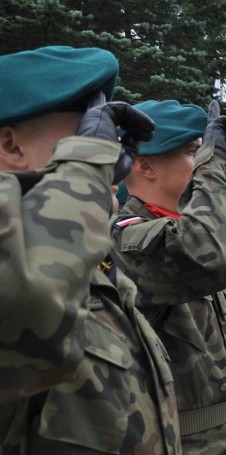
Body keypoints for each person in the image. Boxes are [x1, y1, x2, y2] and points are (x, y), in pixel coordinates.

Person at [0, 46, 179, 454]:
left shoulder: (83, 258)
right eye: (87, 135)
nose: (106, 155)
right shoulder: (36, 263)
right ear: (11, 146)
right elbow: (26, 320)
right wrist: (84, 166)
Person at [111, 100, 226, 453]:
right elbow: (207, 258)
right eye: (194, 152)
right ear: (145, 165)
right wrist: (214, 165)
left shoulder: (184, 232)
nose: (204, 159)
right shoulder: (124, 236)